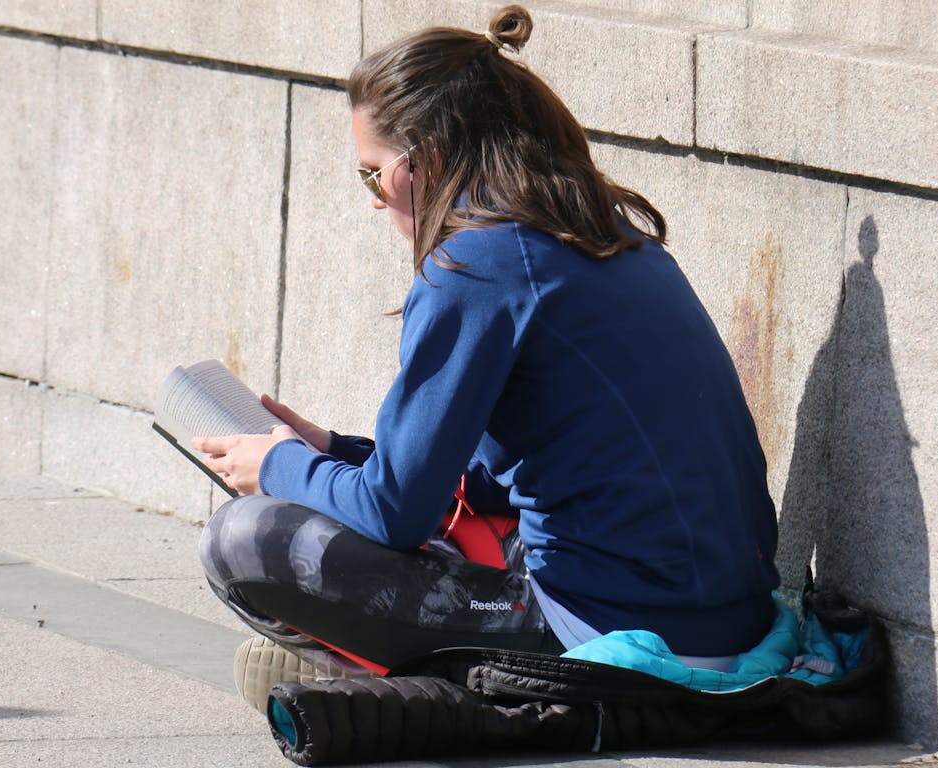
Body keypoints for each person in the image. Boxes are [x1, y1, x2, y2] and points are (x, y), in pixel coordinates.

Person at [194, 4, 780, 709]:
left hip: (625, 634)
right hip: (733, 616)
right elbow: (488, 485)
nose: (376, 200)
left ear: (428, 160)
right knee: (438, 524)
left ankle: (379, 679)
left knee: (243, 539)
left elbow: (394, 513)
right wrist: (334, 453)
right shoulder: (608, 235)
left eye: (372, 174)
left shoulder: (475, 264)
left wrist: (280, 467)